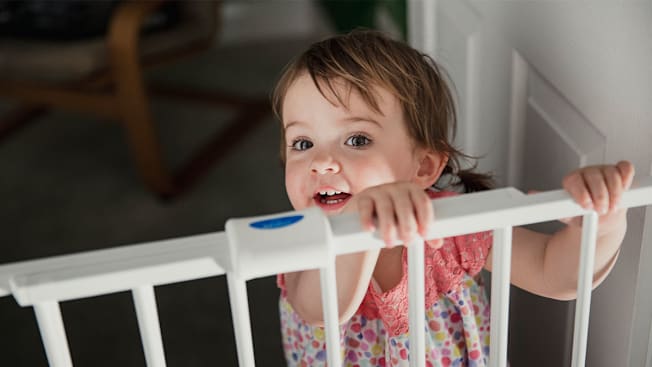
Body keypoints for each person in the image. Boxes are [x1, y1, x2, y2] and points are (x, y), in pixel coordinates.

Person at [271, 29, 634, 367]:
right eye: (302, 143)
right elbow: (320, 309)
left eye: (357, 140)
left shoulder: (450, 224)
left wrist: (601, 223)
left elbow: (553, 271)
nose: (320, 162)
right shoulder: (301, 237)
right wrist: (358, 220)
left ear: (424, 166)